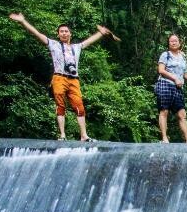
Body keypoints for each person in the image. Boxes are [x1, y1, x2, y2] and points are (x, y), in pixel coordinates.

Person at [9, 12, 114, 141]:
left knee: (79, 106)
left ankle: (83, 135)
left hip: (74, 79)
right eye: (61, 31)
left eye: (66, 31)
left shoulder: (77, 47)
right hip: (59, 77)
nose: (64, 33)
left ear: (70, 34)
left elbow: (89, 41)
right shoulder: (54, 45)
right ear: (58, 34)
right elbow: (36, 34)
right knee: (60, 105)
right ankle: (63, 135)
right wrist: (22, 21)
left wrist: (101, 33)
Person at [155, 34, 187, 143]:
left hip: (177, 88)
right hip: (165, 84)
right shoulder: (165, 55)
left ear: (179, 43)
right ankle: (164, 138)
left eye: (175, 41)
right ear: (168, 43)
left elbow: (185, 75)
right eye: (171, 41)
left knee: (182, 114)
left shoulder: (183, 57)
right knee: (164, 111)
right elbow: (161, 70)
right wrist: (175, 78)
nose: (173, 42)